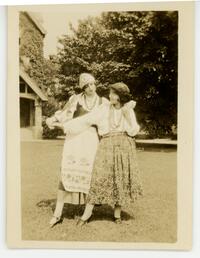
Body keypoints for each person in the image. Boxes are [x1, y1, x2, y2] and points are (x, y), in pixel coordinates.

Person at [62, 82, 143, 225]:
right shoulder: (104, 109)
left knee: (120, 178)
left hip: (124, 145)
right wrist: (65, 125)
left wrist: (127, 115)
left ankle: (117, 215)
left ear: (119, 96)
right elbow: (86, 120)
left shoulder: (127, 110)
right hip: (106, 145)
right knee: (98, 178)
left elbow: (133, 130)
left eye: (113, 93)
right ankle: (86, 215)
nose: (109, 96)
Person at [46, 73, 108, 227]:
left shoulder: (103, 103)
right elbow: (64, 115)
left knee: (90, 175)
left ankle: (87, 214)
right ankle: (57, 214)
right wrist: (53, 120)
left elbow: (104, 125)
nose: (91, 88)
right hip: (74, 140)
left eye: (93, 84)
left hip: (91, 141)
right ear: (83, 88)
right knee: (67, 173)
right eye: (87, 86)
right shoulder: (75, 99)